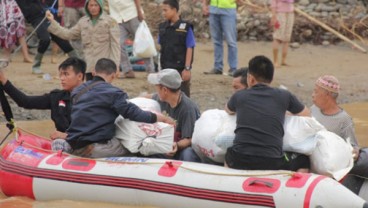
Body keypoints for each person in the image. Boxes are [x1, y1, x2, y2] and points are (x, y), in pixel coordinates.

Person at [52, 58, 174, 158]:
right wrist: (160, 118)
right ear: (114, 75)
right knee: (134, 146)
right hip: (96, 148)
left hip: (75, 142)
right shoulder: (114, 93)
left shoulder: (78, 91)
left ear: (94, 72)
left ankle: (67, 147)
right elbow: (134, 113)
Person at [225, 55, 310, 171]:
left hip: (239, 159)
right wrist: (283, 113)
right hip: (272, 161)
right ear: (271, 78)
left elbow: (228, 110)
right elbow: (306, 114)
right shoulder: (284, 95)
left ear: (250, 78)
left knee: (229, 154)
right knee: (303, 160)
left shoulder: (239, 96)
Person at [0, 57, 86, 139]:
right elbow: (25, 101)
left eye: (66, 74)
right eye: (61, 74)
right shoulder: (57, 97)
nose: (62, 78)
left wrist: (67, 136)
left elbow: (95, 130)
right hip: (62, 146)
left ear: (79, 76)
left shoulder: (92, 98)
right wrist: (3, 80)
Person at [310, 75, 366, 193]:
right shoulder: (313, 110)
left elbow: (353, 147)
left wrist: (354, 151)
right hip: (311, 162)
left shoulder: (344, 120)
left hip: (330, 172)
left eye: (316, 91)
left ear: (327, 95)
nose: (312, 94)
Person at [46, 0, 120, 80]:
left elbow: (115, 45)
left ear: (100, 6)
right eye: (91, 5)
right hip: (89, 66)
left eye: (96, 5)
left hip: (104, 68)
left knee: (101, 90)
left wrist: (115, 65)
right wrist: (52, 21)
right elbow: (67, 34)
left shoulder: (110, 22)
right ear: (87, 7)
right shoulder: (83, 22)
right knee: (89, 89)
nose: (93, 8)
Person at [147, 68, 201, 162]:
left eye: (157, 87)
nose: (156, 90)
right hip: (165, 144)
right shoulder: (161, 98)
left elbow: (189, 139)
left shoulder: (188, 109)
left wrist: (177, 145)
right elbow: (148, 97)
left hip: (179, 149)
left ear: (164, 90)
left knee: (188, 154)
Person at [15, 0, 77, 74]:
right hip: (35, 18)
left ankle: (77, 62)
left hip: (45, 14)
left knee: (60, 39)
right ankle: (36, 65)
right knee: (45, 39)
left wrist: (46, 9)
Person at [106, 0, 154, 79]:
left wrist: (139, 12)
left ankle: (150, 71)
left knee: (143, 43)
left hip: (132, 14)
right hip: (117, 18)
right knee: (118, 44)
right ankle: (127, 71)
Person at [158, 0, 195, 97]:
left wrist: (187, 69)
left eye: (165, 10)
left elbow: (190, 47)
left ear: (174, 10)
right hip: (165, 67)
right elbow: (160, 48)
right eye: (162, 10)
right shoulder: (162, 27)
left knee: (183, 96)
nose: (163, 13)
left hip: (180, 69)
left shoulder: (186, 27)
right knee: (166, 95)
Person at [202, 0, 238, 76]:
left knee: (231, 42)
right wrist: (205, 4)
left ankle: (233, 68)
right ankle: (218, 67)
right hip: (214, 11)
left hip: (228, 11)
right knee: (216, 41)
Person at [270, 0, 295, 67]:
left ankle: (283, 60)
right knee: (278, 37)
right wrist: (274, 16)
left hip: (290, 13)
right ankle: (275, 61)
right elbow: (273, 4)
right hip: (280, 14)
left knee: (287, 38)